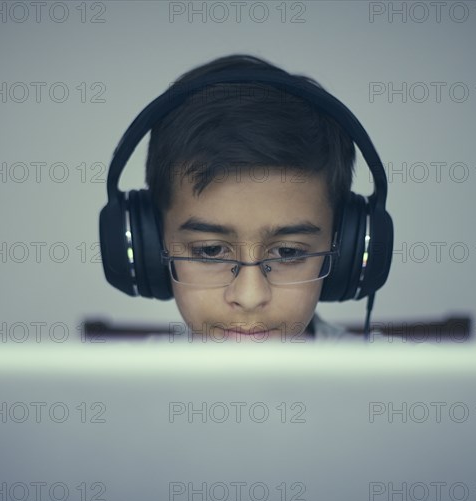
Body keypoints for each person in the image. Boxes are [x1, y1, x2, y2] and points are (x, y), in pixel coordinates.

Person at [101, 53, 392, 342]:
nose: (250, 296)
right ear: (151, 246)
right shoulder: (111, 387)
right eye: (211, 250)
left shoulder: (395, 383)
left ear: (341, 247)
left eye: (288, 252)